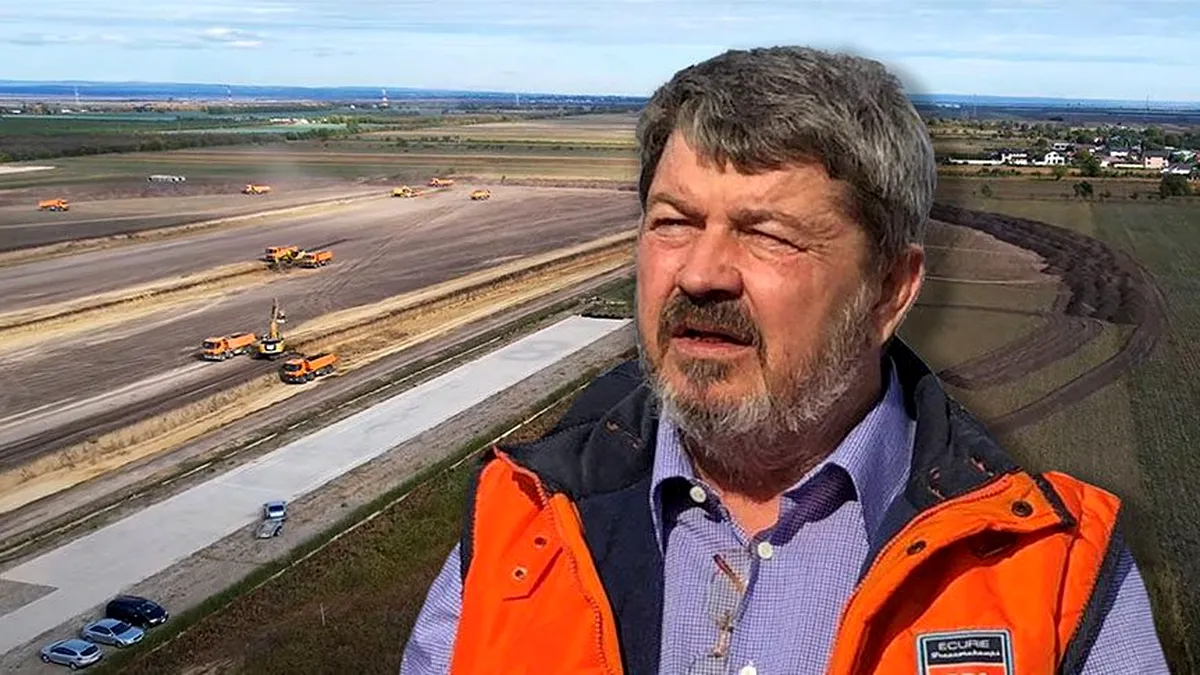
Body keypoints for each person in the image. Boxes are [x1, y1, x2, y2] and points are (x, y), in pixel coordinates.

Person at [400, 46, 1170, 675]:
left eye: (766, 234)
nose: (701, 273)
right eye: (673, 222)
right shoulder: (516, 528)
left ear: (889, 289)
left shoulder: (1050, 571)